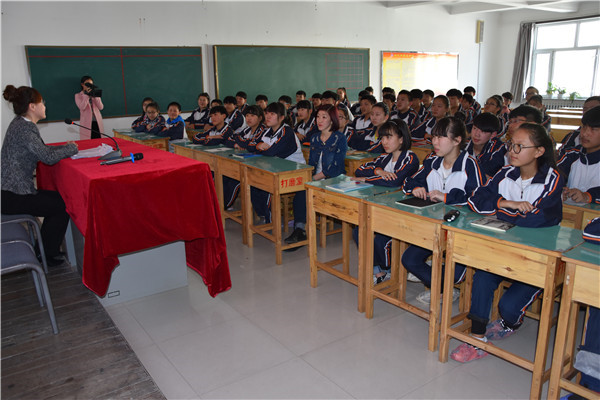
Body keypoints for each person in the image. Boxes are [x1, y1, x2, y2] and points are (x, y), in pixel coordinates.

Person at [452, 122, 563, 363]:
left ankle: (510, 322)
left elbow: (536, 218)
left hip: (537, 259)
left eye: (520, 146)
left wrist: (496, 211)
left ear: (539, 151)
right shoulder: (505, 173)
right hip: (502, 251)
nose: (512, 151)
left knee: (508, 307)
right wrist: (506, 204)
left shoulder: (552, 179)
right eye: (511, 145)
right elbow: (475, 200)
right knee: (482, 278)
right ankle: (477, 339)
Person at [402, 117, 483, 304]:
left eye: (441, 137)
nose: (435, 142)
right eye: (434, 137)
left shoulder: (469, 165)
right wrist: (415, 188)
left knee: (454, 275)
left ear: (457, 140)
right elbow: (408, 182)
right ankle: (442, 288)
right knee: (409, 260)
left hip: (463, 233)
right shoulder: (432, 161)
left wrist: (446, 197)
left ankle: (443, 284)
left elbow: (479, 200)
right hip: (434, 229)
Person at [2, 85, 79, 267]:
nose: (45, 106)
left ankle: (44, 249)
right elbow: (47, 157)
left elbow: (42, 150)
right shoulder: (25, 129)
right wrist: (71, 149)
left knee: (59, 199)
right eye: (42, 102)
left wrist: (64, 148)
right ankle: (45, 254)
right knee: (62, 205)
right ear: (32, 106)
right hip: (12, 196)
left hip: (10, 192)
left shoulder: (20, 123)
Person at [353, 120, 420, 283]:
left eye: (389, 137)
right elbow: (359, 169)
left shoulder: (410, 158)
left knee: (380, 240)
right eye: (382, 138)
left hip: (402, 212)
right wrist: (378, 171)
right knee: (358, 230)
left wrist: (366, 179)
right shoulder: (384, 158)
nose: (384, 142)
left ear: (401, 139)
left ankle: (388, 269)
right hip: (383, 207)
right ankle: (378, 271)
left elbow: (394, 181)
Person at [247, 102, 306, 245]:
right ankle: (265, 216)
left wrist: (261, 148)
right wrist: (259, 145)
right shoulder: (268, 131)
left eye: (272, 114)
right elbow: (251, 145)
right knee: (253, 182)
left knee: (266, 185)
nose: (268, 116)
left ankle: (272, 221)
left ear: (281, 117)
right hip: (276, 169)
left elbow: (271, 152)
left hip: (295, 171)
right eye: (267, 113)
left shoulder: (287, 132)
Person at [558, 105, 600, 204]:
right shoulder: (571, 154)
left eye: (593, 129)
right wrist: (559, 190)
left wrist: (588, 196)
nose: (584, 134)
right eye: (584, 127)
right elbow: (552, 177)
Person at [307, 104, 347, 181]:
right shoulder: (314, 138)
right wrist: (307, 177)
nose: (319, 120)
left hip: (333, 181)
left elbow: (335, 168)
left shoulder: (340, 138)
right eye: (318, 116)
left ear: (332, 120)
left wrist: (312, 179)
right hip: (315, 179)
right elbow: (311, 163)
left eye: (324, 117)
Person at [466, 112, 504, 179]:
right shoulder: (463, 144)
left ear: (493, 135)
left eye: (483, 131)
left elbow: (485, 176)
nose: (477, 134)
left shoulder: (498, 149)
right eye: (474, 128)